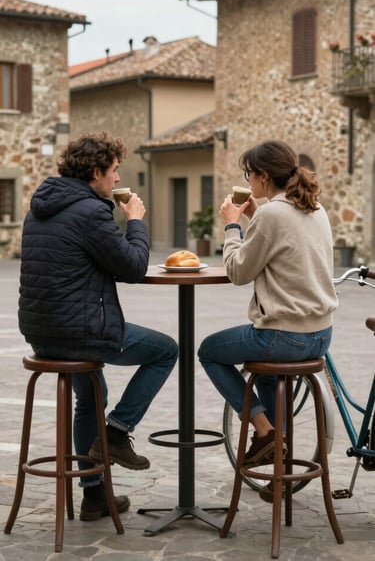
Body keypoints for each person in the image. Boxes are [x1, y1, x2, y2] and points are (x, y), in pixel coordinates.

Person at [18, 132, 178, 521]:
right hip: (80, 333)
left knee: (91, 394)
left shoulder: (39, 206)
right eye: (114, 170)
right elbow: (133, 267)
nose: (117, 178)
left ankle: (94, 497)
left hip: (41, 333)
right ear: (95, 172)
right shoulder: (91, 211)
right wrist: (135, 220)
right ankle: (117, 432)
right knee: (166, 350)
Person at [198, 139, 338, 502]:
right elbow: (281, 237)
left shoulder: (272, 215)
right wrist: (254, 215)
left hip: (284, 336)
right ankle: (280, 475)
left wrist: (232, 226)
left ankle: (265, 432)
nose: (248, 180)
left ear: (261, 176)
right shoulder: (313, 207)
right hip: (321, 335)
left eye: (248, 174)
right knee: (271, 376)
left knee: (209, 351)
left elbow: (237, 271)